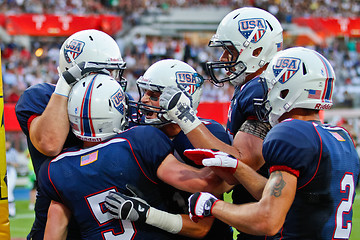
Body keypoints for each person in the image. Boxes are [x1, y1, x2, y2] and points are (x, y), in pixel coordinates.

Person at [187, 47, 360, 239]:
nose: (266, 94)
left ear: (289, 89)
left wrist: (214, 206)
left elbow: (267, 220)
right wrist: (238, 168)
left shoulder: (291, 132)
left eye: (271, 86)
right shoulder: (342, 137)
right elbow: (292, 196)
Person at [39, 73, 230, 239]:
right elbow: (210, 183)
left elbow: (53, 234)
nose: (143, 101)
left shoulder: (54, 168)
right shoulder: (139, 140)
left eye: (153, 95)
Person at [159, 7, 283, 239]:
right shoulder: (253, 87)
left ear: (256, 50)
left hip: (268, 222)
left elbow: (242, 165)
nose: (223, 59)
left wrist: (186, 118)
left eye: (230, 51)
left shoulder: (260, 89)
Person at [15, 29, 127, 239]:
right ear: (78, 72)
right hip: (59, 216)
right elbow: (50, 143)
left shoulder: (121, 98)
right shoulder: (40, 97)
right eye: (107, 71)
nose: (113, 79)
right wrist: (66, 84)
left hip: (111, 214)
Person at [115, 58, 233, 240]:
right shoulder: (142, 131)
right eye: (145, 92)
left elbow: (201, 227)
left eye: (154, 95)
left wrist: (148, 214)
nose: (144, 99)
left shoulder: (203, 137)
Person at [6, 139, 19, 217]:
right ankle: (9, 210)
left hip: (11, 172)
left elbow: (17, 164)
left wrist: (9, 163)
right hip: (4, 173)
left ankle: (11, 211)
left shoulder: (13, 152)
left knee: (9, 190)